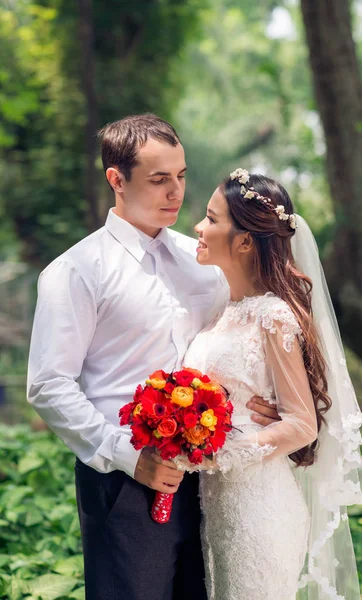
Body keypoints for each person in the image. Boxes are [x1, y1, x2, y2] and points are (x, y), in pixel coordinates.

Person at [26, 115, 277, 600]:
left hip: (213, 477)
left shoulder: (204, 261)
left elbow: (241, 342)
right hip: (123, 481)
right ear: (116, 179)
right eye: (159, 179)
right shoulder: (75, 271)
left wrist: (261, 404)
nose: (175, 192)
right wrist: (127, 456)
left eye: (181, 176)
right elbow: (49, 384)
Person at [184, 168, 362, 600]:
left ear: (245, 240)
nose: (198, 226)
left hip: (259, 510)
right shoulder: (222, 311)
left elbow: (302, 423)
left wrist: (218, 455)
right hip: (216, 508)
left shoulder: (273, 316)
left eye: (212, 218)